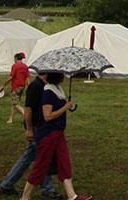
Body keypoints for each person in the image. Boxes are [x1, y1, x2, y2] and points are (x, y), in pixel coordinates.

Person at [20, 72, 92, 200]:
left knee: (64, 161)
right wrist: (65, 107)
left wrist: (66, 104)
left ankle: (71, 195)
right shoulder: (48, 92)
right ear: (57, 77)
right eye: (62, 75)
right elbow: (47, 116)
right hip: (48, 134)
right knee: (41, 165)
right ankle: (25, 197)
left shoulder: (58, 90)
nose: (64, 76)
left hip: (58, 133)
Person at [0, 72, 62, 198]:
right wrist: (29, 129)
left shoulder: (45, 85)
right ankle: (47, 189)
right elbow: (28, 109)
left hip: (41, 127)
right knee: (41, 157)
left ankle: (7, 185)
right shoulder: (35, 86)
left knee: (33, 157)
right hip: (35, 127)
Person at [0, 52, 29, 124]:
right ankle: (10, 119)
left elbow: (11, 77)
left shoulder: (15, 66)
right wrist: (29, 87)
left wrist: (3, 85)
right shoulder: (25, 66)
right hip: (22, 87)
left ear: (16, 58)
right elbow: (27, 78)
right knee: (14, 103)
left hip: (16, 87)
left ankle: (26, 115)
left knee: (15, 104)